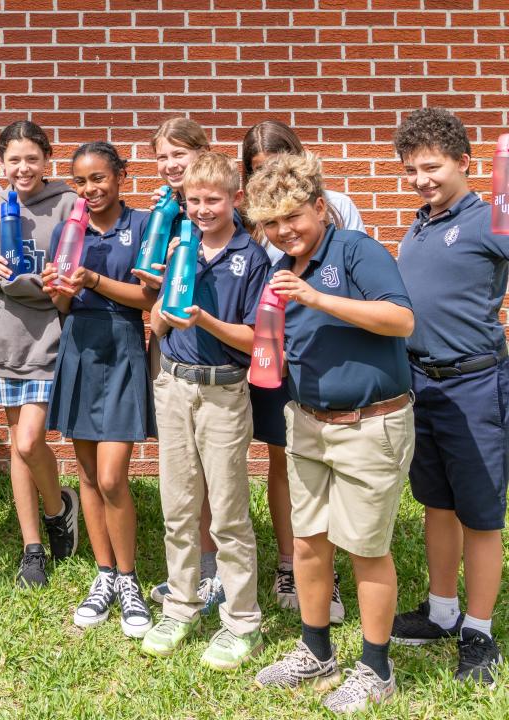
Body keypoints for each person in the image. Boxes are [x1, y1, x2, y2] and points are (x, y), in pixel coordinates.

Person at [249, 153, 415, 714]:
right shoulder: (281, 270)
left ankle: (376, 669)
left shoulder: (355, 251)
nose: (283, 231)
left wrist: (318, 299)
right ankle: (316, 651)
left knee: (366, 549)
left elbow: (401, 320)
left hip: (371, 424)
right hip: (308, 423)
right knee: (307, 543)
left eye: (292, 216)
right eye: (271, 223)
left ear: (320, 206)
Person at [391, 107, 508, 685]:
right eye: (412, 170)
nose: (421, 180)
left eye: (431, 167)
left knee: (481, 515)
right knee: (437, 504)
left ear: (465, 162)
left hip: (474, 385)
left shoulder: (492, 220)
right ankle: (441, 612)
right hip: (421, 385)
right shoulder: (418, 225)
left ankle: (479, 631)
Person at [140, 152, 268, 669]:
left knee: (229, 513)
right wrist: (168, 297)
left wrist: (205, 320)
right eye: (193, 201)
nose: (201, 209)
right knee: (177, 506)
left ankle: (242, 621)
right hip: (174, 387)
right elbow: (157, 325)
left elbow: (256, 338)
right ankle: (181, 604)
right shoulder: (181, 247)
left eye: (212, 199)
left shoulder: (250, 256)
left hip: (223, 392)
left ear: (235, 198)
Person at [239, 119, 366, 620]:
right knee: (283, 461)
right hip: (275, 355)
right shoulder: (249, 219)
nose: (270, 177)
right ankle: (292, 561)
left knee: (332, 466)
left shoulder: (336, 207)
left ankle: (328, 572)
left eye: (277, 163)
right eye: (257, 170)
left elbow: (354, 277)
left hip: (328, 352)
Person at [41, 142, 157, 639]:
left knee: (112, 477)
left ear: (121, 176)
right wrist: (61, 293)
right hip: (80, 348)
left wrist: (93, 280)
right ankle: (104, 574)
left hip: (123, 345)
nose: (90, 189)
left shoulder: (146, 225)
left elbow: (148, 298)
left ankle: (129, 579)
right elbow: (63, 307)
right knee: (87, 474)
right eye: (81, 182)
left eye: (99, 179)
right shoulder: (71, 229)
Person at [0, 120, 80, 588]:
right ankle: (32, 546)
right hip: (6, 340)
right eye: (13, 160)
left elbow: (66, 281)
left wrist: (16, 283)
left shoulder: (67, 205)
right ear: (1, 163)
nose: (23, 168)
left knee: (27, 442)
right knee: (19, 443)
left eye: (31, 158)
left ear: (47, 159)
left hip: (48, 337)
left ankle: (59, 507)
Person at [138, 118, 227, 617]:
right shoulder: (165, 211)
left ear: (203, 152)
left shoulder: (212, 209)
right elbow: (151, 291)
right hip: (170, 344)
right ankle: (193, 572)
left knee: (214, 471)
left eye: (180, 154)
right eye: (163, 157)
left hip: (216, 352)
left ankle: (217, 574)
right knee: (184, 468)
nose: (171, 164)